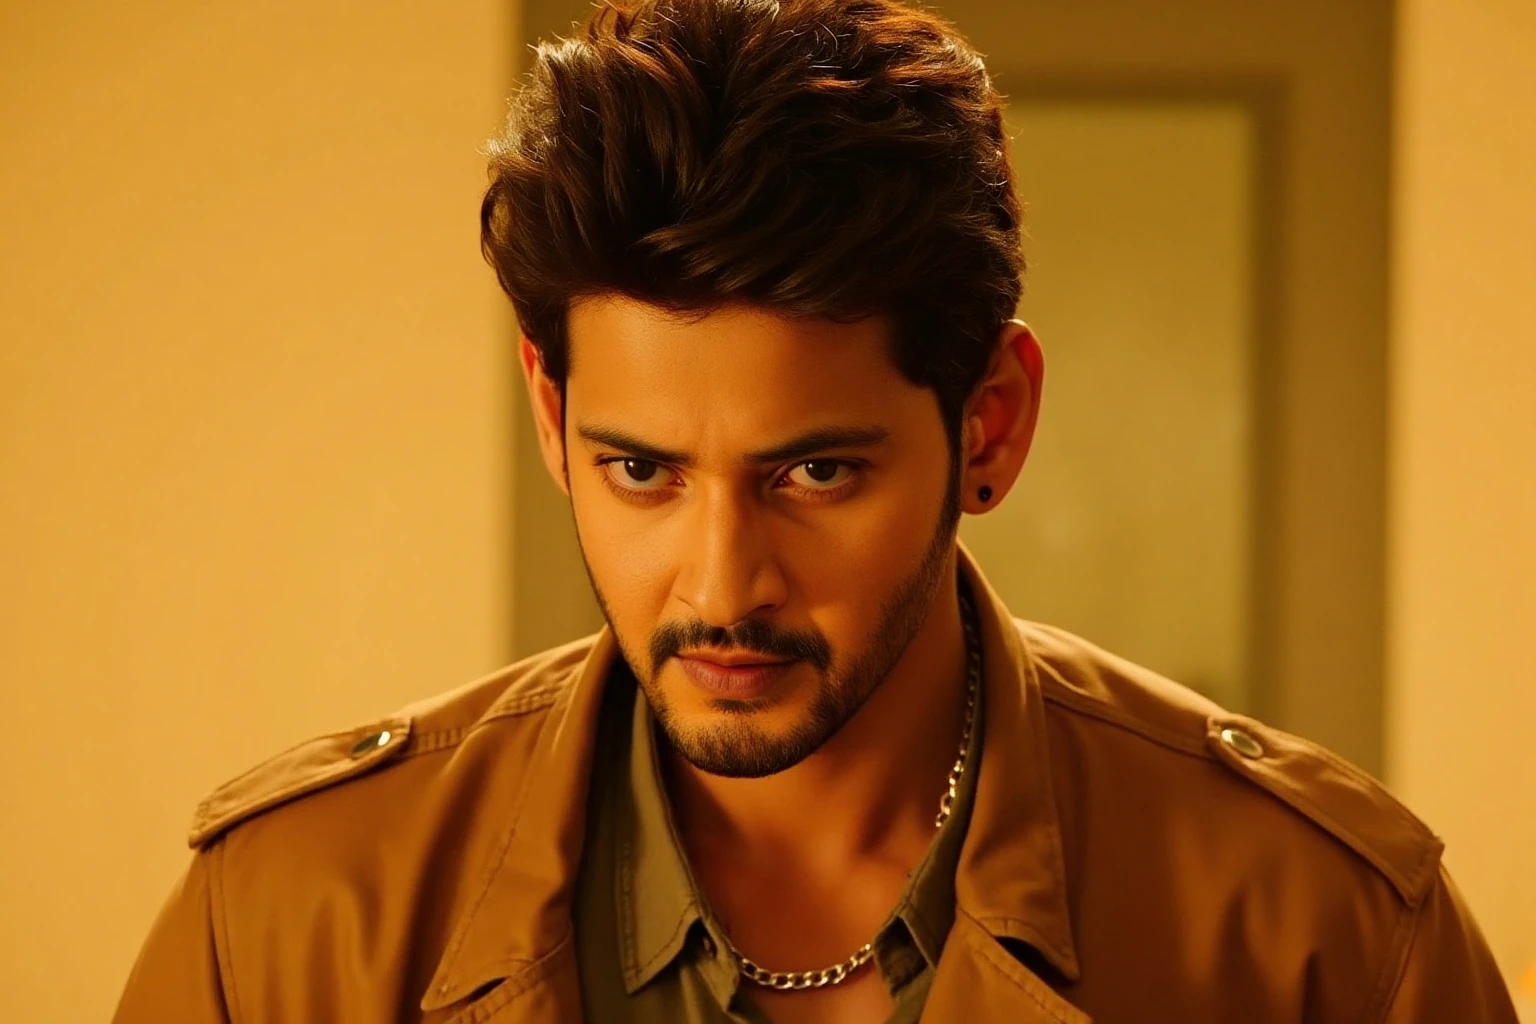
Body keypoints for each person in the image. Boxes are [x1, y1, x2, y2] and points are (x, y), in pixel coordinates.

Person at [112, 0, 1519, 1021]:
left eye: (815, 473)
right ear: (553, 419)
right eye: (642, 471)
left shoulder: (1321, 939)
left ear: (992, 427)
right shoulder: (285, 924)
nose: (722, 584)